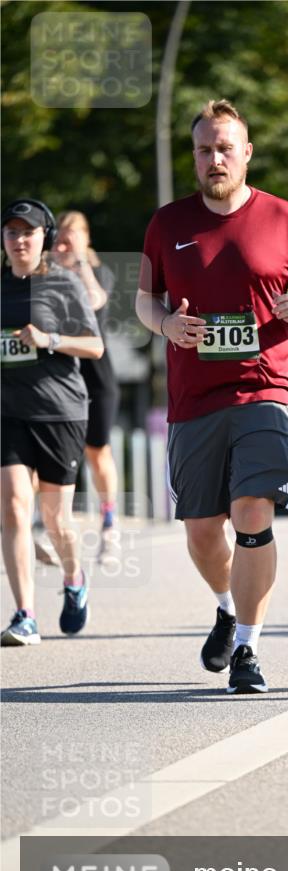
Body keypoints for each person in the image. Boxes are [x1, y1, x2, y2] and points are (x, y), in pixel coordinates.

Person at [135, 99, 288, 693]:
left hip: (265, 388)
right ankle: (226, 604)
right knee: (200, 530)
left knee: (251, 512)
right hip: (195, 398)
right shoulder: (168, 224)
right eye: (204, 150)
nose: (215, 158)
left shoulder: (284, 217)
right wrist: (166, 325)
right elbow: (146, 300)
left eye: (225, 148)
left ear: (246, 153)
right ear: (194, 157)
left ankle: (247, 648)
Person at [1, 198, 103, 645]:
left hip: (60, 411)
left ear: (44, 237)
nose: (19, 239)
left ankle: (74, 576)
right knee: (14, 505)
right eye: (11, 231)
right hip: (8, 411)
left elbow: (95, 347)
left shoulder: (63, 284)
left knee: (55, 517)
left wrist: (49, 339)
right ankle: (25, 613)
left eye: (28, 231)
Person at [53, 211, 120, 560]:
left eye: (70, 238)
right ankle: (52, 525)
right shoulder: (47, 275)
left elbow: (95, 302)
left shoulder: (99, 272)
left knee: (97, 451)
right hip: (62, 377)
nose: (63, 245)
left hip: (97, 376)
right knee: (57, 454)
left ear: (84, 239)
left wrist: (79, 264)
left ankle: (109, 524)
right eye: (59, 239)